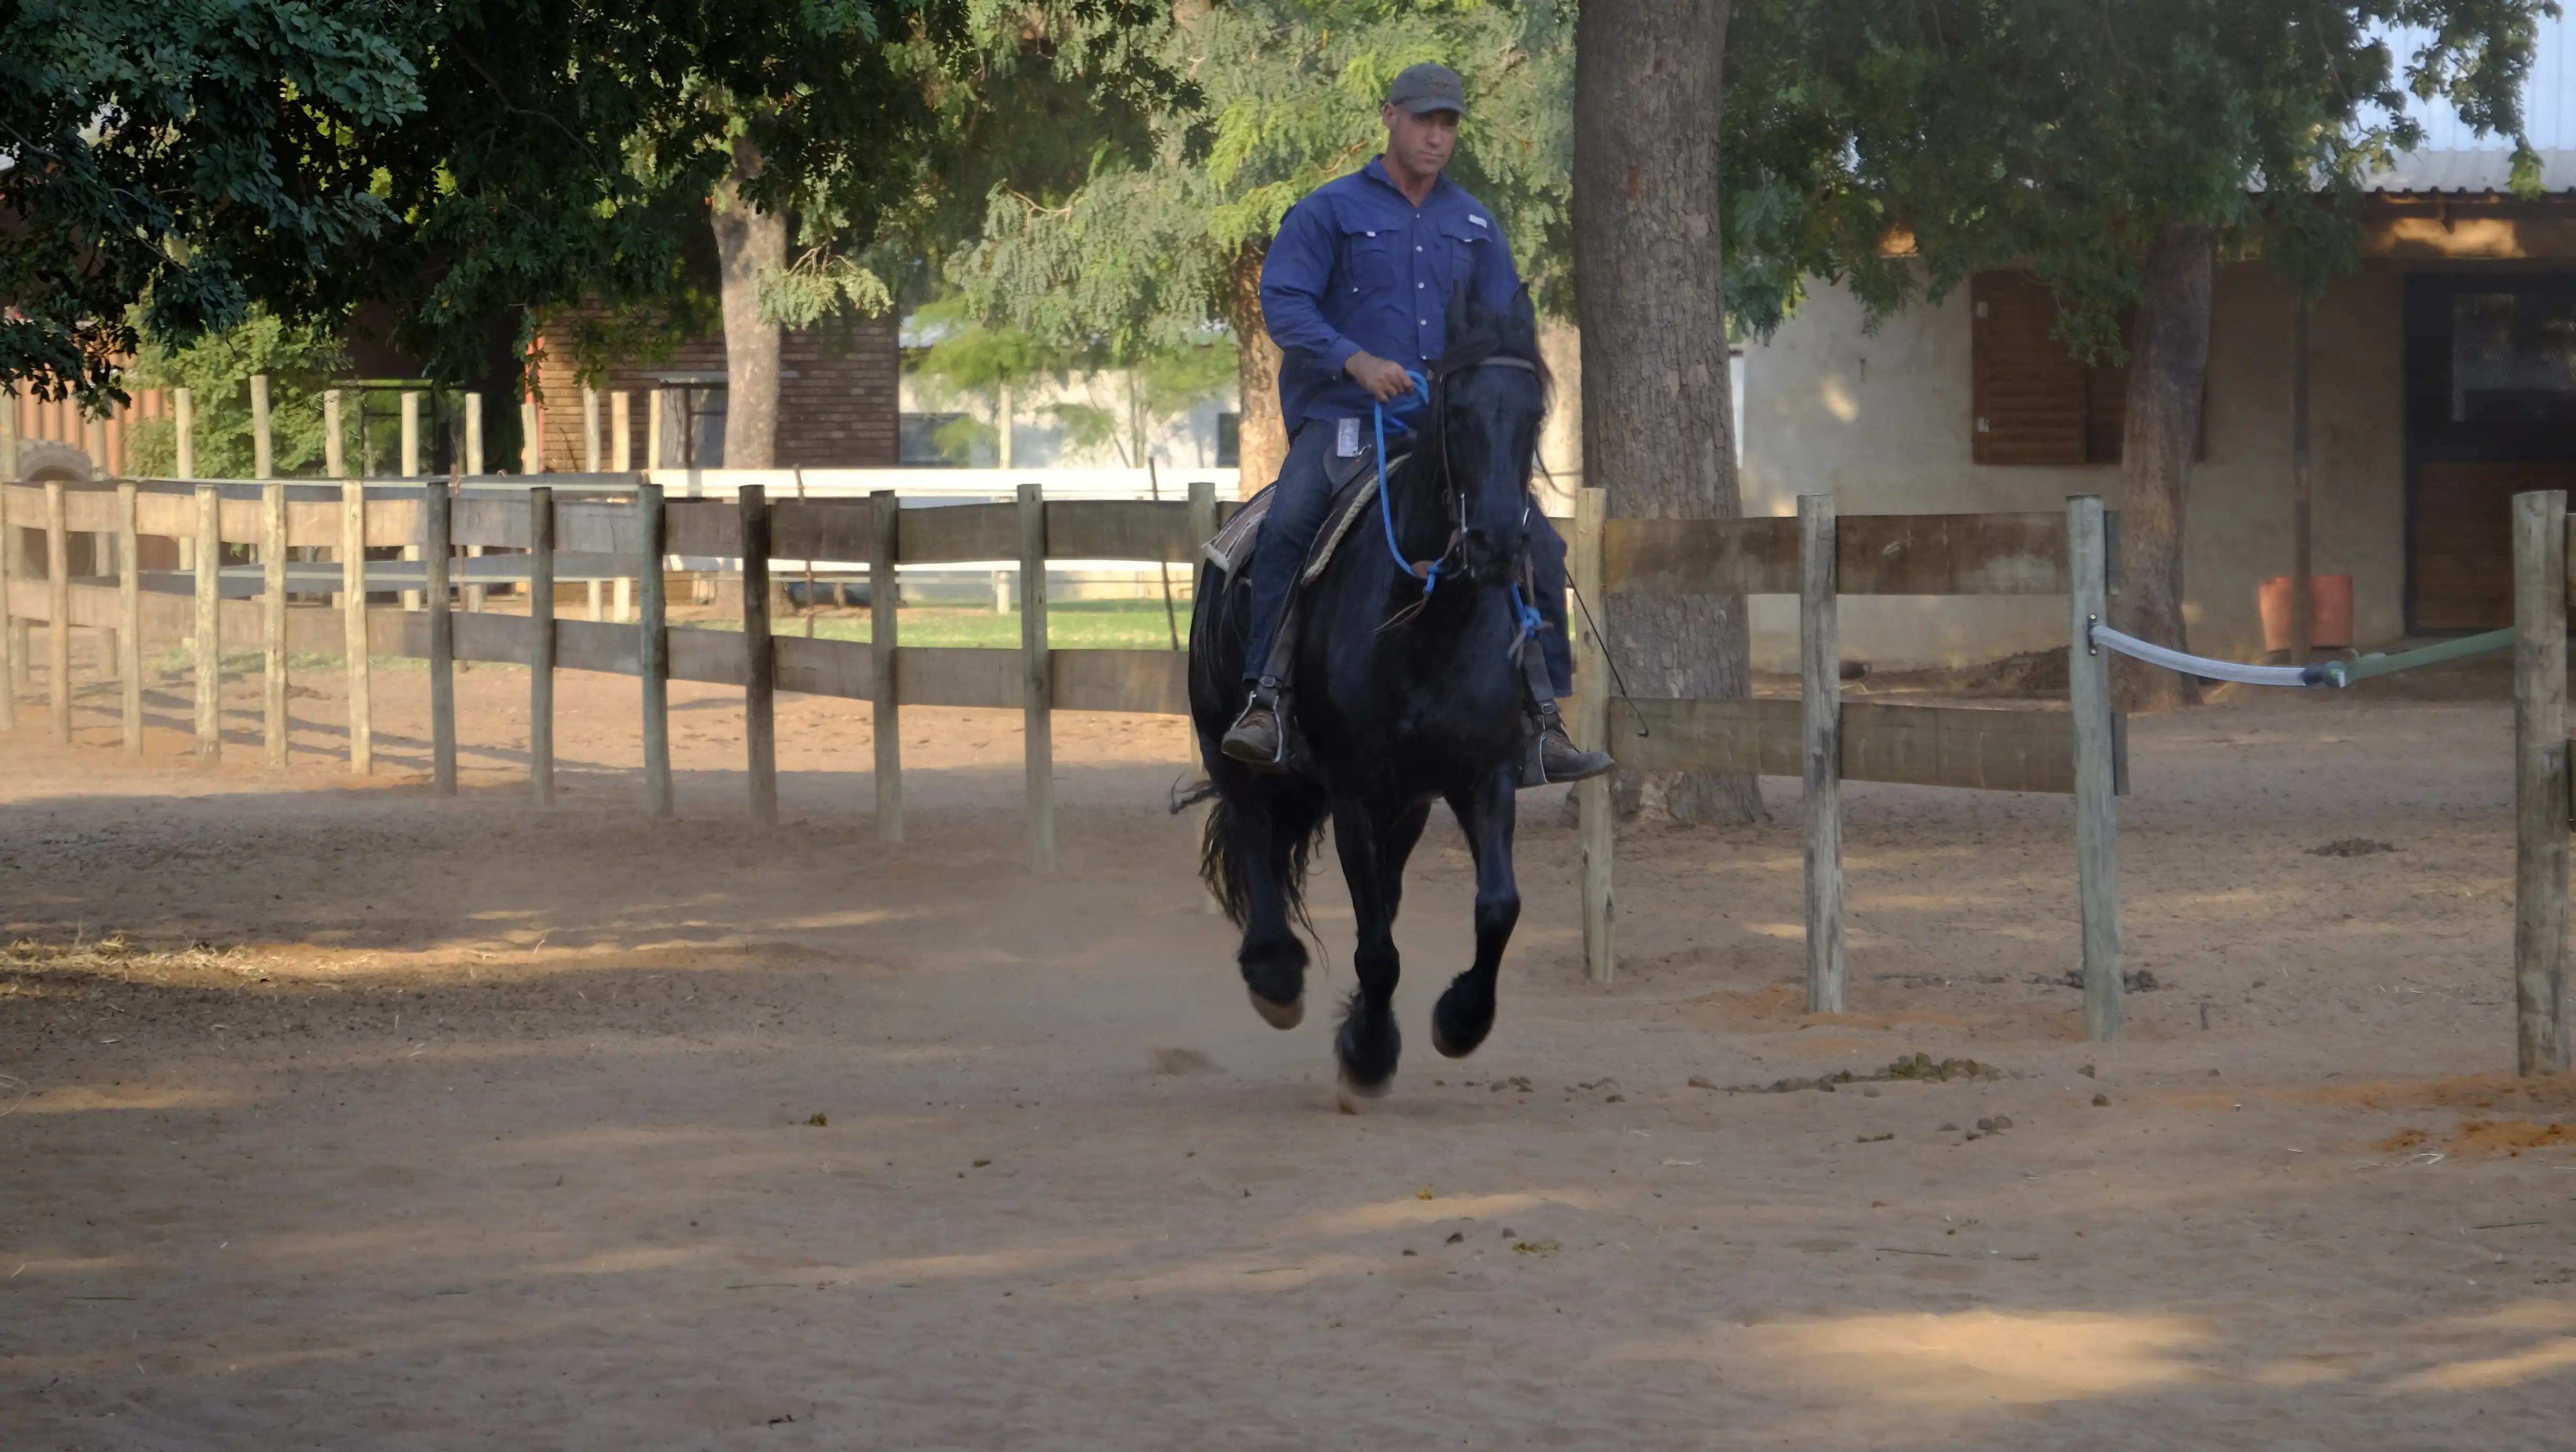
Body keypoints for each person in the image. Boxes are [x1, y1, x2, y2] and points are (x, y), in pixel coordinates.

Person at [1220, 62, 1612, 785]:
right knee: (1288, 527)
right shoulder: (1328, 212)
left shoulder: (1473, 223)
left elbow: (1504, 327)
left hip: (1448, 436)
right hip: (1345, 422)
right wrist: (1355, 360)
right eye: (1425, 119)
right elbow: (1285, 303)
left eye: (1449, 123)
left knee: (1538, 546)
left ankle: (1541, 719)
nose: (1437, 136)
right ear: (1389, 116)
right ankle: (1265, 699)